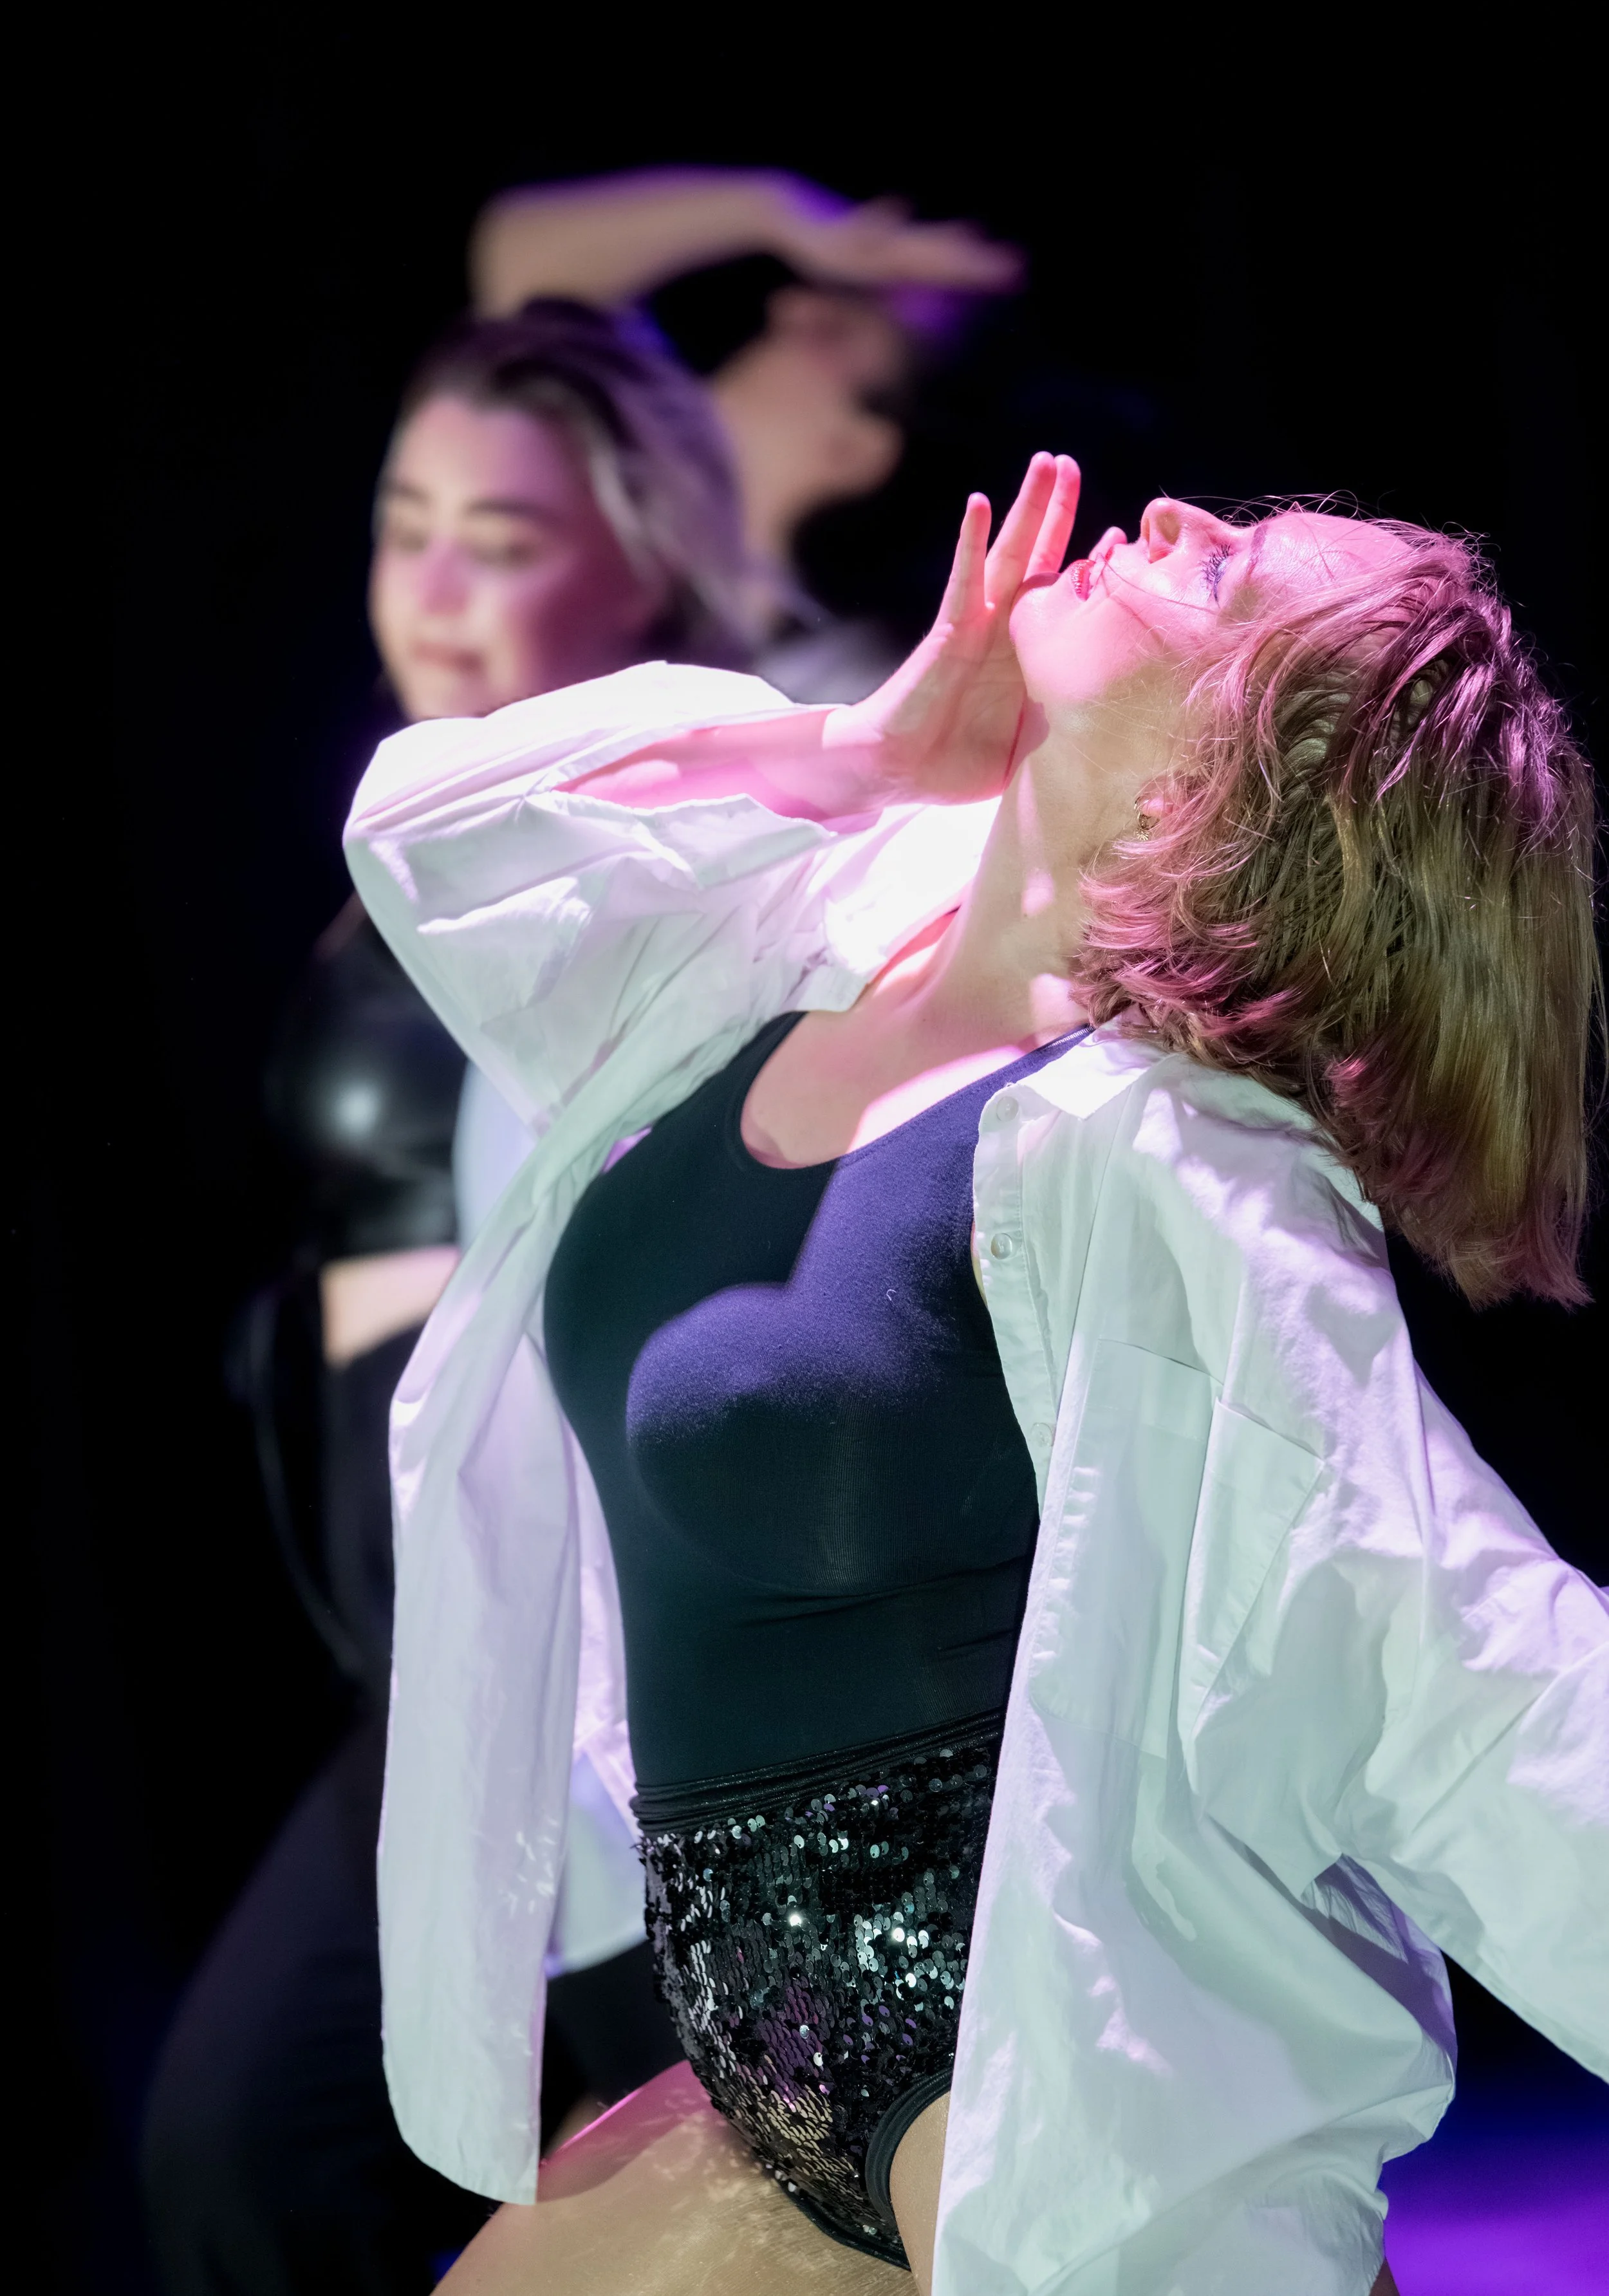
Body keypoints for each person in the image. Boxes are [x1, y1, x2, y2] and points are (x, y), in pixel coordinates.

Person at [344, 450, 1608, 2293]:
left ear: (1236, 772)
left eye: (1229, 572)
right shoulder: (805, 927)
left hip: (1031, 2086)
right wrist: (856, 751)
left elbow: (1452, 1653)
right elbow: (424, 837)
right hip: (762, 2076)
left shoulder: (1173, 1152)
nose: (1176, 520)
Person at [140, 298, 752, 2296]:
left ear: (641, 557)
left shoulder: (657, 835)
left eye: (499, 540)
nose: (432, 586)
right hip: (412, 1651)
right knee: (255, 2154)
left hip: (586, 1647)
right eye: (404, 526)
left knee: (701, 2188)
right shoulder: (418, 820)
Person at [469, 166, 1023, 699]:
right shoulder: (611, 483)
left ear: (857, 451)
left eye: (833, 331)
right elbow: (515, 277)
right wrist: (769, 209)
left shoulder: (830, 692)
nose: (790, 307)